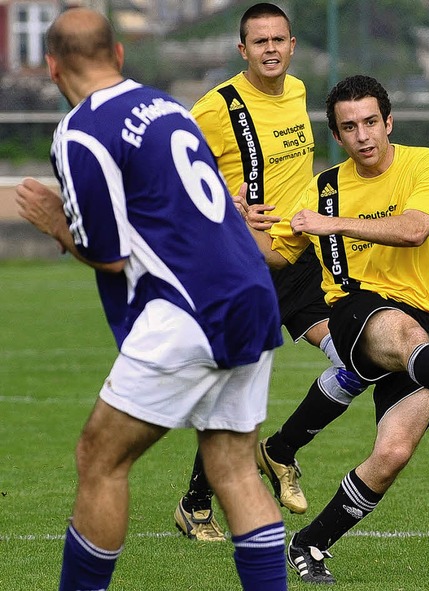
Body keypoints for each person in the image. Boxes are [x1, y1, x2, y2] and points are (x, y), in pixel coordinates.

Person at [14, 8, 287, 591]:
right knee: (234, 467)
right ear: (117, 55)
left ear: (52, 65)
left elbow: (108, 253)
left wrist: (56, 225)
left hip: (189, 309)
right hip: (251, 292)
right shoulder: (166, 106)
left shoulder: (81, 129)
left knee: (100, 457)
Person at [239, 74, 429, 584]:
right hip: (355, 310)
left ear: (389, 122)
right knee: (397, 328)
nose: (363, 135)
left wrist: (336, 225)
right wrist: (232, 222)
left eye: (371, 121)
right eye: (349, 127)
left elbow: (415, 229)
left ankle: (310, 544)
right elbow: (278, 255)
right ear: (338, 137)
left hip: (424, 321)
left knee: (392, 453)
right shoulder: (324, 187)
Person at [173, 2, 367, 542]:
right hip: (247, 264)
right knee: (235, 391)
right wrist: (228, 205)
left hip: (302, 259)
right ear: (242, 50)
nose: (271, 49)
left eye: (279, 39)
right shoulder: (217, 107)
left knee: (355, 357)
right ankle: (195, 506)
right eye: (260, 42)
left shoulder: (302, 91)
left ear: (292, 44)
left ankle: (281, 451)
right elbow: (175, 170)